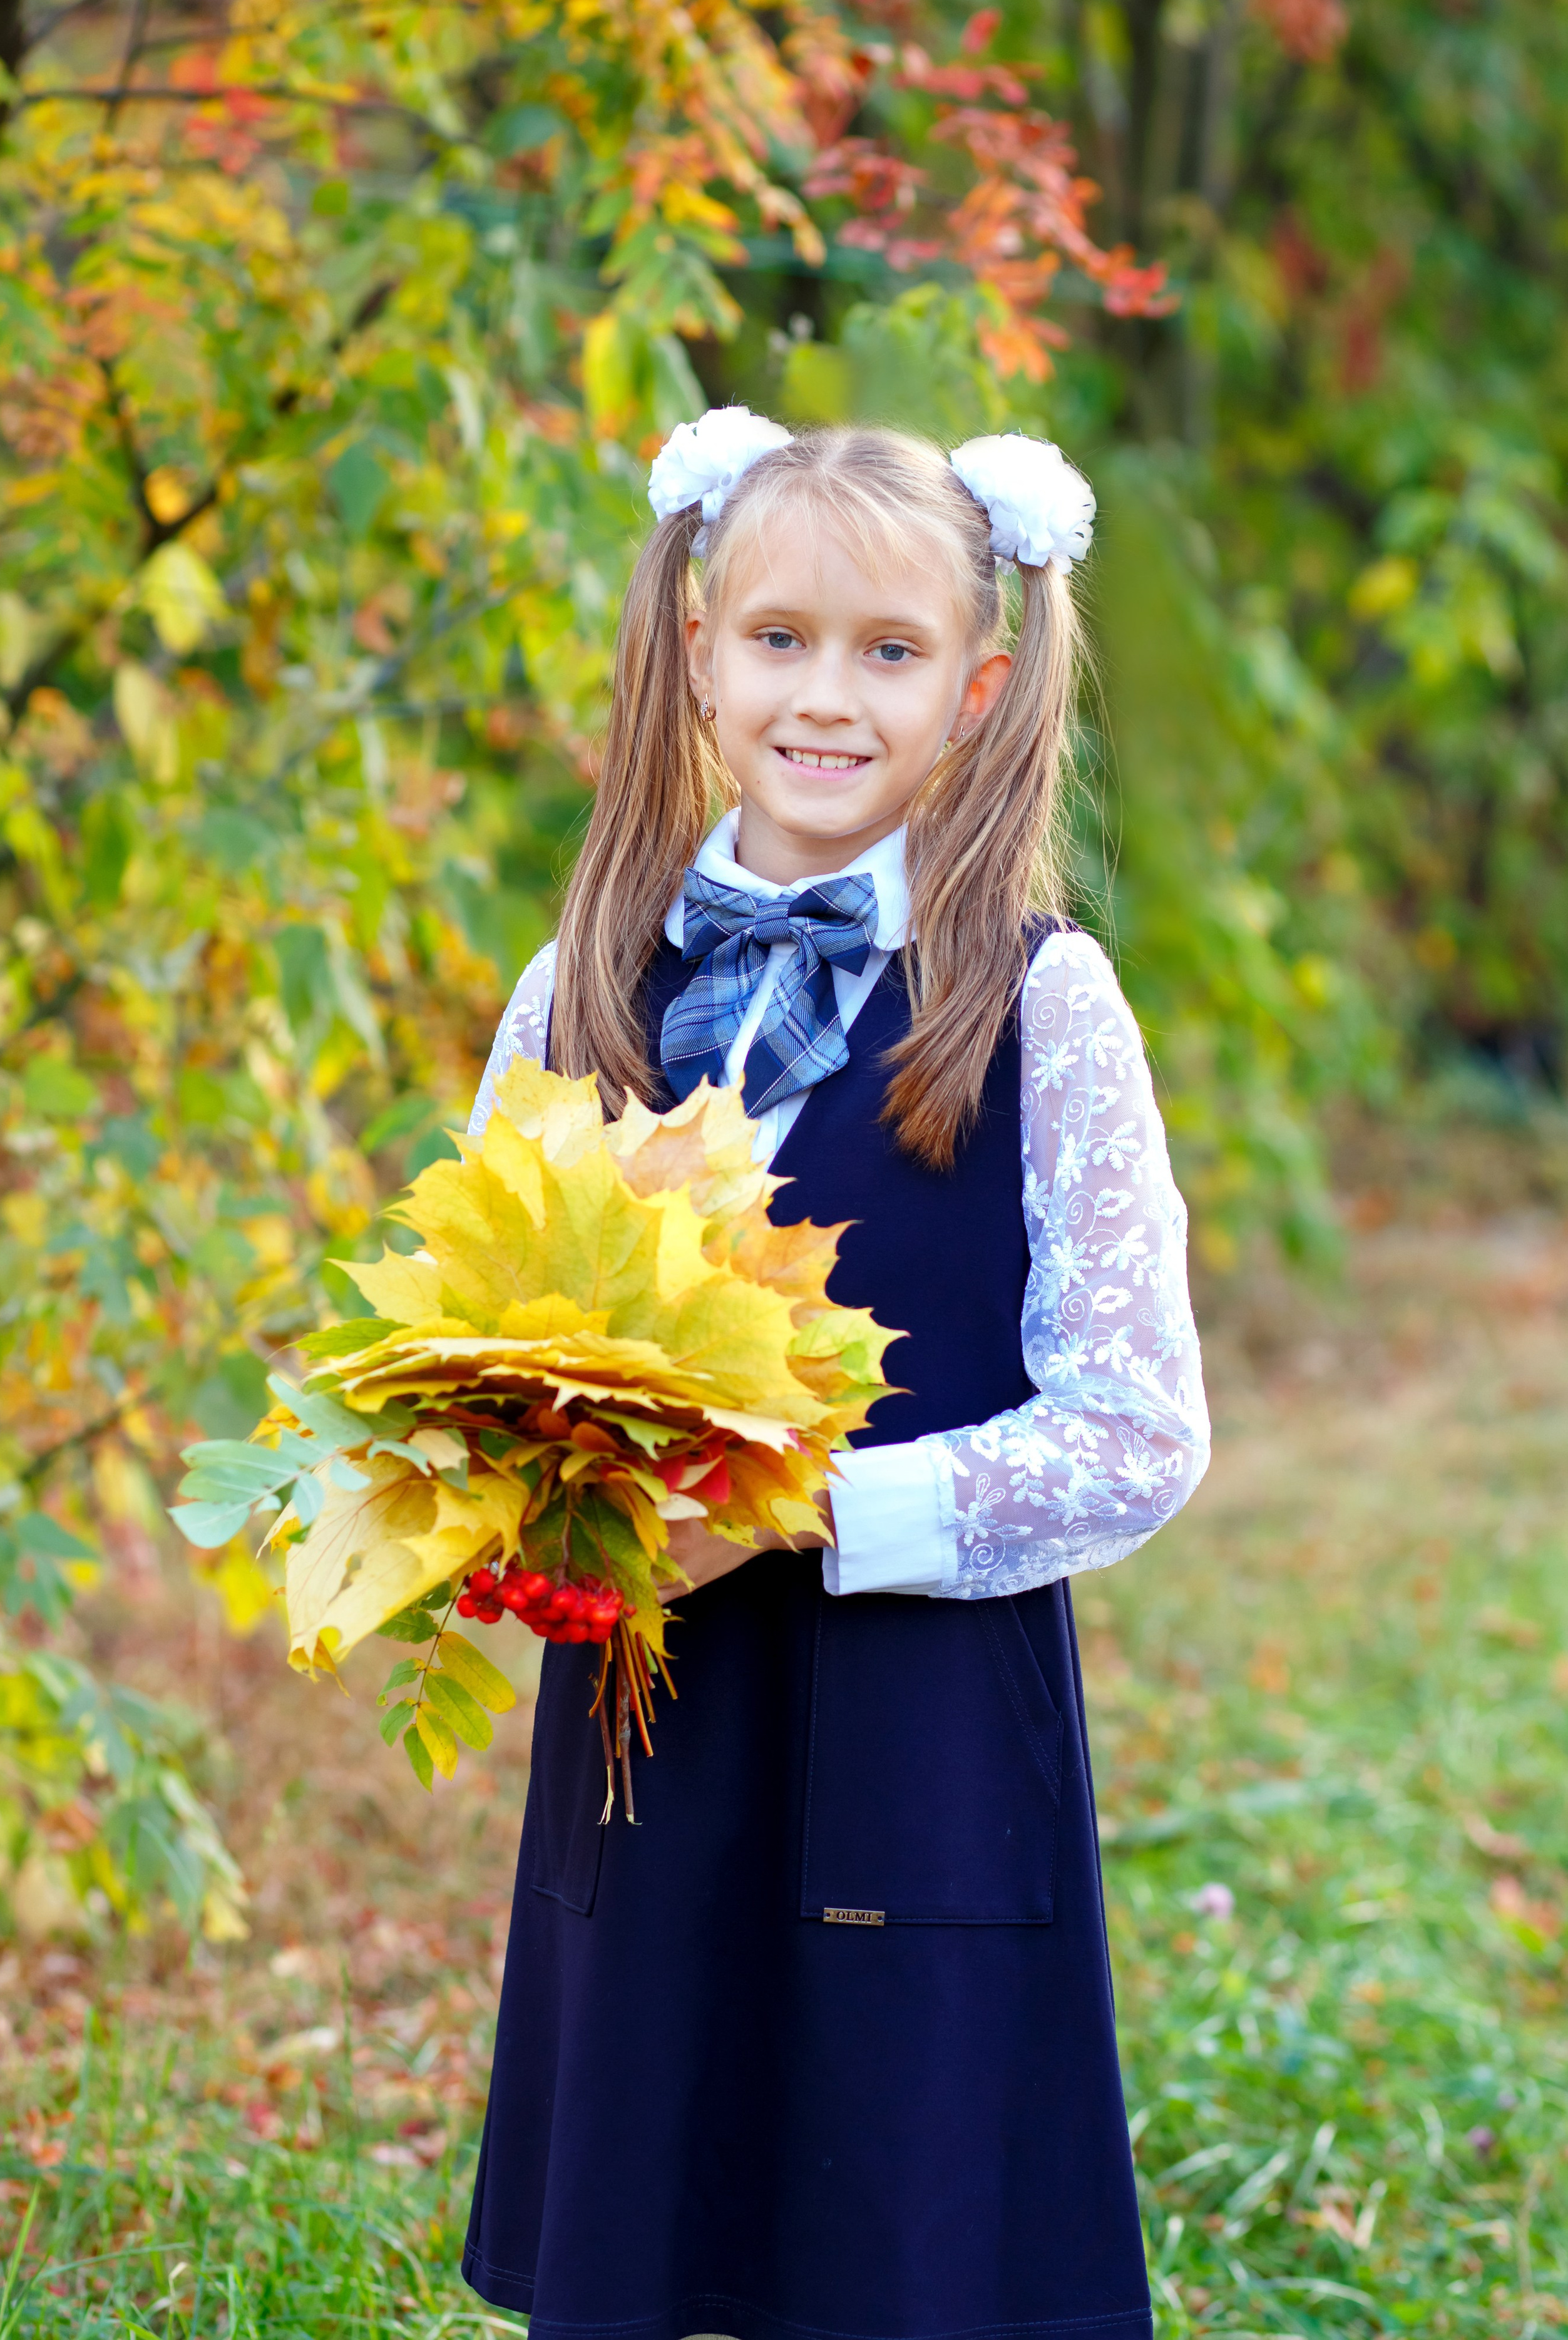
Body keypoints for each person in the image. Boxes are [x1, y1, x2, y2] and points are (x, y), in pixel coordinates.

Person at [461, 411, 1211, 2340]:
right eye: (780, 638)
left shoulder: (1038, 1000)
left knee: (907, 2220)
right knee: (661, 2206)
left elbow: (1137, 1430)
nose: (825, 694)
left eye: (889, 653)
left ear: (974, 690)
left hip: (927, 1739)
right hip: (652, 1733)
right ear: (702, 646)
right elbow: (479, 1350)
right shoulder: (580, 987)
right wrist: (518, 1510)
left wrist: (787, 1510)